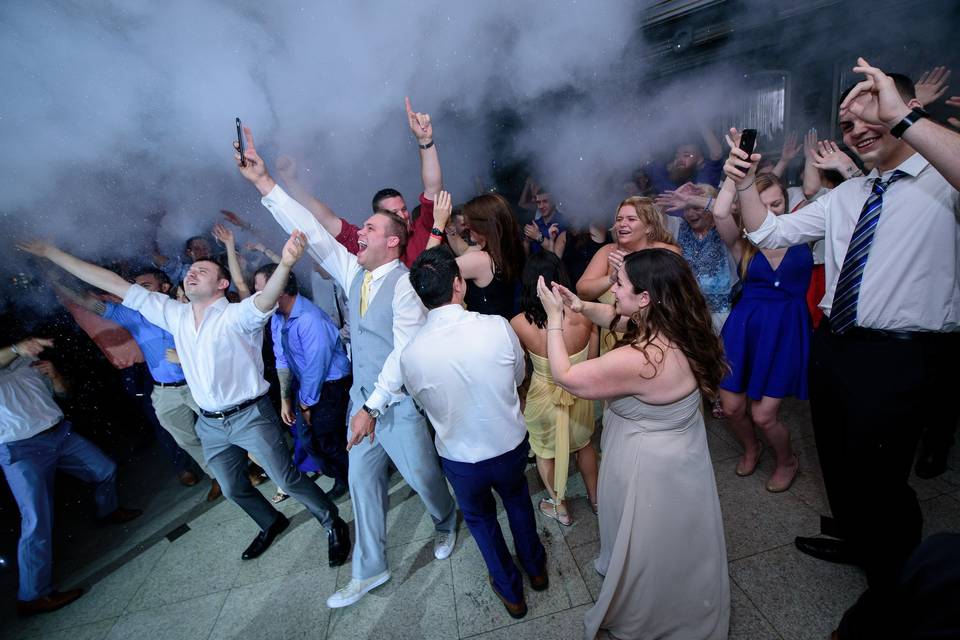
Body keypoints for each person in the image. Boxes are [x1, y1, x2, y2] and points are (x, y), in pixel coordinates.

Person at [724, 58, 960, 626]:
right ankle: (858, 541)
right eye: (847, 122)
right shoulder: (851, 193)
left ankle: (894, 586)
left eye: (868, 112)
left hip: (898, 356)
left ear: (903, 111)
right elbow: (769, 231)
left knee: (881, 482)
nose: (855, 128)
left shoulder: (940, 180)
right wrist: (741, 181)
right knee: (840, 465)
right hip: (836, 345)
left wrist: (902, 114)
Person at [18, 234, 352, 566]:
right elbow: (112, 283)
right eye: (190, 270)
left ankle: (331, 521)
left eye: (203, 270)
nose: (192, 273)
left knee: (288, 480)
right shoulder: (173, 314)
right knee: (233, 487)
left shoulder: (236, 316)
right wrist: (52, 252)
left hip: (251, 416)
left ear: (222, 283)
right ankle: (270, 521)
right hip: (210, 423)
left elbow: (265, 301)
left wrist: (289, 262)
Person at [237, 126, 457, 609]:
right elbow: (312, 231)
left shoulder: (404, 286)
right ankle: (369, 570)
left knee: (424, 479)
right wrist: (264, 184)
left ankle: (446, 522)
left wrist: (372, 409)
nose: (363, 231)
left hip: (395, 405)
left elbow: (402, 355)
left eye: (373, 228)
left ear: (395, 243)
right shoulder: (353, 269)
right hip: (363, 401)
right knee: (361, 486)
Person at [539, 249, 730, 639]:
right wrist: (581, 306)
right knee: (673, 535)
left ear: (645, 297)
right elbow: (616, 316)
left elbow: (566, 376)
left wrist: (556, 319)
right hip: (682, 453)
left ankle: (649, 608)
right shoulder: (683, 326)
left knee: (647, 538)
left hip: (647, 460)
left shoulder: (642, 360)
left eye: (620, 284)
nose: (614, 289)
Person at [401, 247, 548, 619]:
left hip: (460, 457)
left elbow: (422, 404)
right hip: (509, 444)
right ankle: (536, 569)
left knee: (481, 521)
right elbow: (518, 377)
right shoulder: (496, 326)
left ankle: (511, 591)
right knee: (517, 502)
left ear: (422, 297)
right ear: (458, 285)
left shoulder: (412, 353)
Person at [50, 268, 221, 501]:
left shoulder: (182, 309)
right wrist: (58, 280)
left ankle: (245, 469)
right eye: (135, 285)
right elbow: (89, 304)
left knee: (223, 428)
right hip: (164, 391)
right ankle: (217, 477)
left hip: (196, 382)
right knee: (185, 439)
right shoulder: (131, 315)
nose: (138, 290)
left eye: (146, 285)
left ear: (164, 287)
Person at [1, 337, 142, 616]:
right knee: (37, 519)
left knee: (105, 470)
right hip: (20, 449)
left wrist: (55, 377)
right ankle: (32, 596)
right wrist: (17, 349)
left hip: (59, 435)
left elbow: (63, 394)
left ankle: (107, 512)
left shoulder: (30, 362)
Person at [712, 172, 810, 492]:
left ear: (788, 201)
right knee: (731, 407)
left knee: (765, 415)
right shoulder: (743, 244)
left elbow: (812, 189)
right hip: (744, 329)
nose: (771, 213)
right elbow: (719, 212)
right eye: (762, 206)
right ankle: (751, 448)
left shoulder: (804, 231)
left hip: (784, 331)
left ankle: (786, 460)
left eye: (777, 203)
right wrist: (734, 174)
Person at [272, 97, 443, 268]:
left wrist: (425, 141)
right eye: (394, 212)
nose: (403, 215)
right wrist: (291, 181)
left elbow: (433, 188)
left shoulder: (421, 230)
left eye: (404, 209)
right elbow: (327, 220)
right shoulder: (364, 243)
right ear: (378, 218)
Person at [510, 252, 599, 526]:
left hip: (543, 395)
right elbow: (593, 359)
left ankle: (560, 508)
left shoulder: (518, 323)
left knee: (544, 452)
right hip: (579, 391)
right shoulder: (585, 315)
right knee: (584, 445)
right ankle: (596, 500)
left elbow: (520, 368)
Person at [253, 264, 351, 502]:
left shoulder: (309, 319)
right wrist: (286, 399)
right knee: (311, 442)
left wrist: (306, 405)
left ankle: (353, 480)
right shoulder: (277, 317)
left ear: (281, 289)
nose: (258, 298)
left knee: (329, 442)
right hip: (308, 386)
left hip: (331, 386)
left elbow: (316, 369)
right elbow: (282, 358)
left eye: (262, 291)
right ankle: (345, 477)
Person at [431, 191, 524, 319]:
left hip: (485, 334)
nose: (467, 226)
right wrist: (450, 229)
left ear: (482, 226)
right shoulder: (506, 249)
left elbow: (429, 272)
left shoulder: (481, 261)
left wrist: (438, 224)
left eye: (469, 223)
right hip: (502, 327)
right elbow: (465, 250)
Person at [522, 187, 567, 258]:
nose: (541, 206)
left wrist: (538, 236)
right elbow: (526, 258)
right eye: (538, 202)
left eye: (545, 201)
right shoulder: (535, 224)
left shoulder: (563, 222)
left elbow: (556, 257)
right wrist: (527, 242)